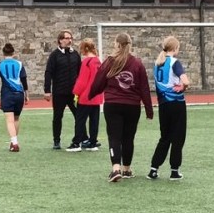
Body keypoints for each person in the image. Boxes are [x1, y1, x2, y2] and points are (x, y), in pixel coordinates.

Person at [89, 32, 153, 182]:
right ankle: (127, 169)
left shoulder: (110, 62)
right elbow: (144, 88)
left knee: (114, 137)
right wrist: (148, 109)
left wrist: (91, 94)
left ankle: (115, 169)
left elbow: (99, 81)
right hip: (132, 106)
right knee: (128, 138)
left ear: (117, 44)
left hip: (113, 104)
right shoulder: (137, 63)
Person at [148, 36, 190, 181]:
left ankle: (153, 169)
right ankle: (174, 171)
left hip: (163, 105)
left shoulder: (157, 63)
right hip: (176, 103)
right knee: (178, 137)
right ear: (175, 48)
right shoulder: (174, 62)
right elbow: (185, 81)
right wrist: (183, 87)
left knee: (164, 137)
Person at [42, 29, 81, 151]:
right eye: (67, 38)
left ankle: (80, 139)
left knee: (79, 116)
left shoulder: (75, 54)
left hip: (74, 93)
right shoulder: (54, 55)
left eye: (70, 38)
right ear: (60, 40)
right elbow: (48, 72)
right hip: (59, 92)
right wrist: (47, 90)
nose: (69, 40)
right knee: (58, 117)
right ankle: (56, 140)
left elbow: (80, 72)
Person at [0, 43, 29, 152]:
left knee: (9, 120)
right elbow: (24, 80)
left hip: (7, 94)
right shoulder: (19, 64)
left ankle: (15, 143)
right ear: (13, 53)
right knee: (16, 118)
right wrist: (26, 94)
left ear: (3, 53)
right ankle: (13, 142)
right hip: (19, 94)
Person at [72, 38, 103, 151]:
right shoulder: (98, 61)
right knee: (94, 120)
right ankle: (93, 142)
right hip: (96, 96)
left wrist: (76, 92)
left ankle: (76, 143)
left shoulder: (87, 62)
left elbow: (82, 80)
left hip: (86, 96)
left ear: (85, 48)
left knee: (80, 120)